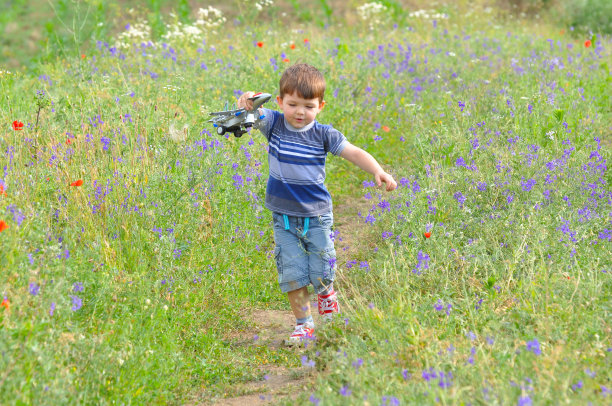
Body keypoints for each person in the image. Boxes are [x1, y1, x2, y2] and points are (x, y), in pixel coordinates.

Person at [237, 63, 397, 345]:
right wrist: (247, 99)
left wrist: (377, 170)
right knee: (293, 274)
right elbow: (252, 109)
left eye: (308, 106)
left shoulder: (324, 134)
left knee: (322, 269)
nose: (300, 112)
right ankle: (304, 324)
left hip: (317, 216)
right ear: (280, 102)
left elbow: (354, 152)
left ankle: (327, 298)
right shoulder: (273, 123)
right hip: (284, 218)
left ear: (320, 106)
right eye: (293, 104)